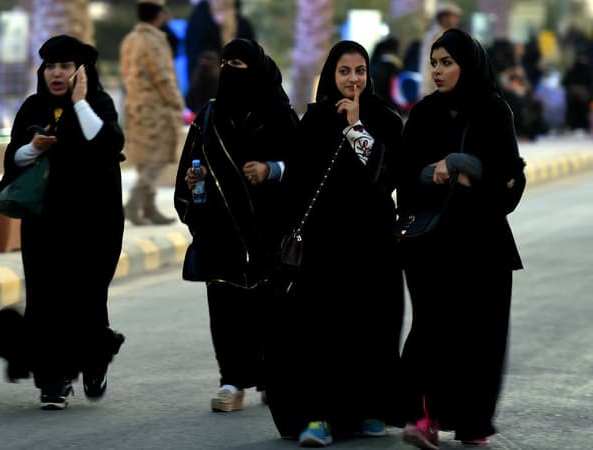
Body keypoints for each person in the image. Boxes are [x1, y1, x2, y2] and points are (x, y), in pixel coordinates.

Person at [263, 40, 404, 446]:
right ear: (331, 75)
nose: (353, 79)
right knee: (319, 335)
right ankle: (318, 418)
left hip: (372, 247)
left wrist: (356, 128)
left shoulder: (385, 119)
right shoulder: (314, 121)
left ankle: (364, 410)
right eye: (345, 71)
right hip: (324, 250)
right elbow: (295, 186)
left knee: (368, 332)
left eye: (360, 71)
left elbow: (387, 177)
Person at [396, 29, 526, 449]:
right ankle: (423, 417)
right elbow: (408, 176)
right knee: (431, 331)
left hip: (483, 245)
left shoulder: (494, 110)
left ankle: (473, 423)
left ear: (467, 65)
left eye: (446, 62)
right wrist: (454, 175)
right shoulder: (423, 114)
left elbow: (508, 178)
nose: (437, 70)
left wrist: (454, 163)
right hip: (430, 243)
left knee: (482, 337)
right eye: (434, 62)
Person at [0, 35, 126, 410]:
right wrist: (35, 148)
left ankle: (94, 363)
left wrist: (79, 103)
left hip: (94, 222)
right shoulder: (34, 107)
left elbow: (110, 142)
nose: (56, 73)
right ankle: (53, 380)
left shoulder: (98, 103)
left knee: (87, 296)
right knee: (46, 298)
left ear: (81, 72)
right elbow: (14, 159)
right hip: (45, 222)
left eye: (65, 66)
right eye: (50, 66)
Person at [173, 38, 299, 413]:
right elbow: (189, 167)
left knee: (269, 310)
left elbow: (303, 168)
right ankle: (231, 381)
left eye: (239, 64)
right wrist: (193, 187)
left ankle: (271, 379)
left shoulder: (278, 114)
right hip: (220, 230)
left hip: (268, 231)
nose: (229, 70)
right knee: (225, 310)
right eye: (226, 62)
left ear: (257, 68)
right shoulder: (209, 116)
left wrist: (271, 170)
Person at [120, 0, 185, 225]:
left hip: (135, 107)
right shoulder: (154, 41)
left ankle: (149, 208)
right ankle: (134, 203)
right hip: (156, 109)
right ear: (159, 14)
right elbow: (163, 76)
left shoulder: (130, 39)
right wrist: (177, 102)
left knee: (145, 161)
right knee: (158, 158)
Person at [419, 2, 461, 98]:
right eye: (454, 16)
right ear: (444, 18)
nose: (456, 20)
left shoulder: (453, 36)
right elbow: (427, 63)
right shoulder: (434, 37)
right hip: (436, 87)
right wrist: (424, 89)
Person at [184, 0, 222, 99]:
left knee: (197, 90)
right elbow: (217, 41)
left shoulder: (192, 21)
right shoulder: (211, 23)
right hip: (211, 62)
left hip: (194, 62)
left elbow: (187, 42)